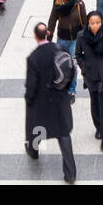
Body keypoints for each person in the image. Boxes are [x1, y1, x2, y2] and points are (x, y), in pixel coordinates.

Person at [24, 22, 77, 183]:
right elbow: (72, 71)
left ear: (35, 36)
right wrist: (66, 90)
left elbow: (32, 84)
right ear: (48, 33)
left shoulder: (33, 57)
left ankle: (33, 151)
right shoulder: (60, 49)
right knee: (63, 134)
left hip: (41, 101)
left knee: (36, 128)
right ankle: (70, 173)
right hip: (59, 99)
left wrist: (29, 98)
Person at [76, 11, 103, 150]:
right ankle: (100, 127)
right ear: (88, 23)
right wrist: (84, 67)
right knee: (94, 103)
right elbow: (78, 54)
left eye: (98, 23)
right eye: (92, 23)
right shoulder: (81, 36)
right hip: (90, 75)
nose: (95, 26)